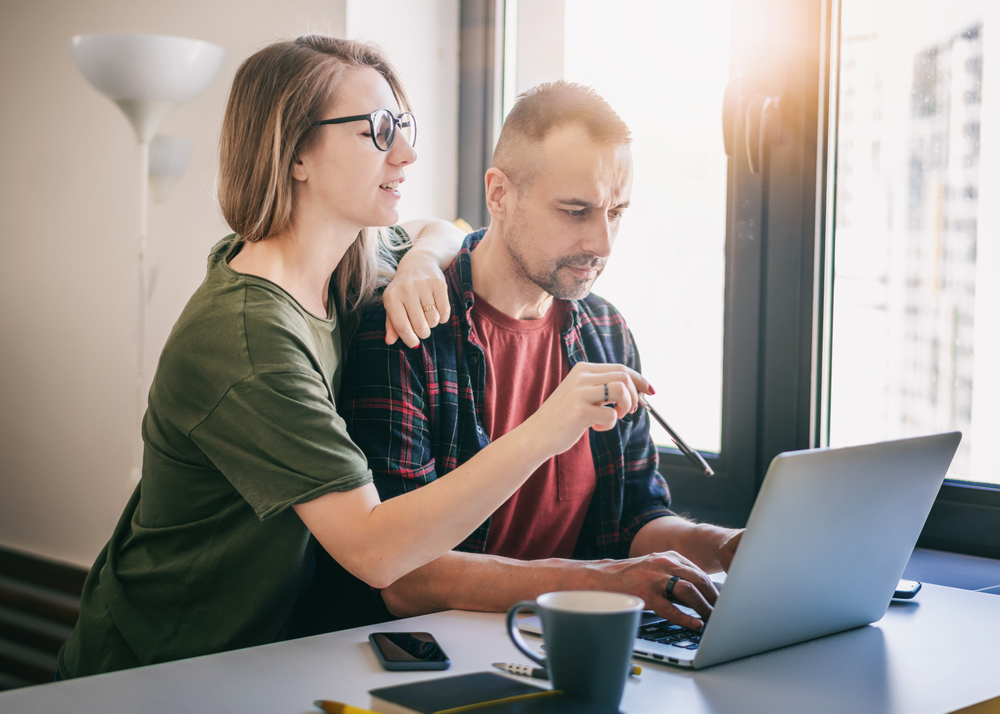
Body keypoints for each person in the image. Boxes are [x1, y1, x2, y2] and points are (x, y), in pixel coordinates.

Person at [57, 40, 650, 679]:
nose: (407, 153)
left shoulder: (353, 258)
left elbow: (441, 228)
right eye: (377, 130)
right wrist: (548, 429)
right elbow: (376, 550)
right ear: (296, 153)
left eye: (404, 126)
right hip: (153, 669)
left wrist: (422, 260)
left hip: (264, 660)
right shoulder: (248, 340)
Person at [338, 81, 743, 632]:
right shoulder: (408, 327)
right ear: (499, 194)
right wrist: (605, 583)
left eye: (616, 212)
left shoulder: (605, 328)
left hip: (572, 642)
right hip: (443, 653)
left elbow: (634, 520)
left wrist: (725, 547)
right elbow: (404, 579)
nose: (602, 243)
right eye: (576, 211)